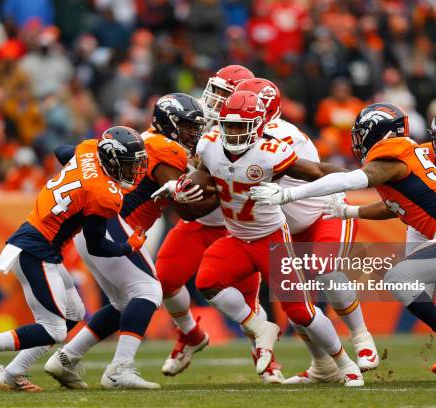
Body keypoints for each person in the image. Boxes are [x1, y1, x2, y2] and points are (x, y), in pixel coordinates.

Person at [249, 102, 436, 384]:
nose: (358, 140)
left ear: (377, 133)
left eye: (362, 133)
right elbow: (395, 205)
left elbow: (350, 179)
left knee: (398, 277)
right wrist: (348, 211)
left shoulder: (393, 152)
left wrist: (287, 195)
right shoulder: (406, 159)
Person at [181, 90, 365, 386]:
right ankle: (259, 326)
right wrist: (186, 188)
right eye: (229, 125)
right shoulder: (209, 144)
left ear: (257, 126)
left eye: (241, 126)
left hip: (272, 241)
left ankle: (345, 363)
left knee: (301, 312)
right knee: (207, 281)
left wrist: (361, 177)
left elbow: (316, 170)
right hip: (237, 239)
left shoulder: (271, 151)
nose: (234, 131)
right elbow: (205, 176)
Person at [0, 127, 148, 393]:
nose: (132, 170)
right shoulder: (103, 193)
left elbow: (62, 151)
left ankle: (12, 373)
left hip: (36, 243)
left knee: (73, 314)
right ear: (112, 159)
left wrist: (77, 170)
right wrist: (127, 247)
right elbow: (96, 245)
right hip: (37, 249)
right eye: (127, 163)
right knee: (54, 329)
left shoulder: (88, 150)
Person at [43, 93, 210, 390]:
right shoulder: (166, 147)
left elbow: (67, 152)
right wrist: (227, 192)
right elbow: (187, 207)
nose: (192, 132)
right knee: (149, 291)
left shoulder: (142, 140)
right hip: (114, 223)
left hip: (95, 225)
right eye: (186, 125)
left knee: (123, 304)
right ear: (169, 122)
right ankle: (119, 369)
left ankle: (66, 358)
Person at [235, 78, 379, 383]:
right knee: (294, 298)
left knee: (325, 271)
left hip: (323, 213)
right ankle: (322, 367)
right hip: (285, 227)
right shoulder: (232, 139)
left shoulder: (285, 137)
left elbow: (313, 173)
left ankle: (362, 338)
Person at [150, 66, 267, 381]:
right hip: (200, 220)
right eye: (214, 90)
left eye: (223, 94)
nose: (213, 99)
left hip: (236, 224)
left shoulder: (253, 130)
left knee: (247, 303)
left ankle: (266, 359)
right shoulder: (195, 119)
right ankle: (189, 333)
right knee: (163, 280)